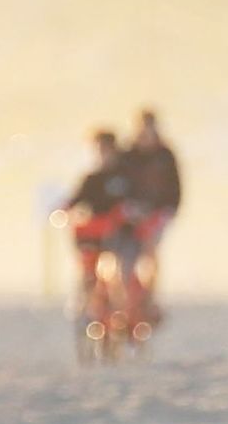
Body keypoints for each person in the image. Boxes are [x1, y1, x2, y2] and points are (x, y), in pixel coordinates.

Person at [64, 129, 134, 319]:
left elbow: (132, 203)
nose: (102, 155)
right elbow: (76, 200)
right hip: (96, 232)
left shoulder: (125, 178)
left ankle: (121, 311)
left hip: (119, 233)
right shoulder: (92, 179)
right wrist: (64, 211)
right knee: (87, 265)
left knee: (115, 268)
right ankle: (86, 301)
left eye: (105, 150)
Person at [122, 109, 182, 323]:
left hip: (157, 213)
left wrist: (170, 210)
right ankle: (126, 300)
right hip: (131, 215)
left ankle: (149, 298)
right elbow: (120, 184)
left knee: (151, 253)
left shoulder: (165, 155)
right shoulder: (129, 155)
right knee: (126, 256)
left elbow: (175, 187)